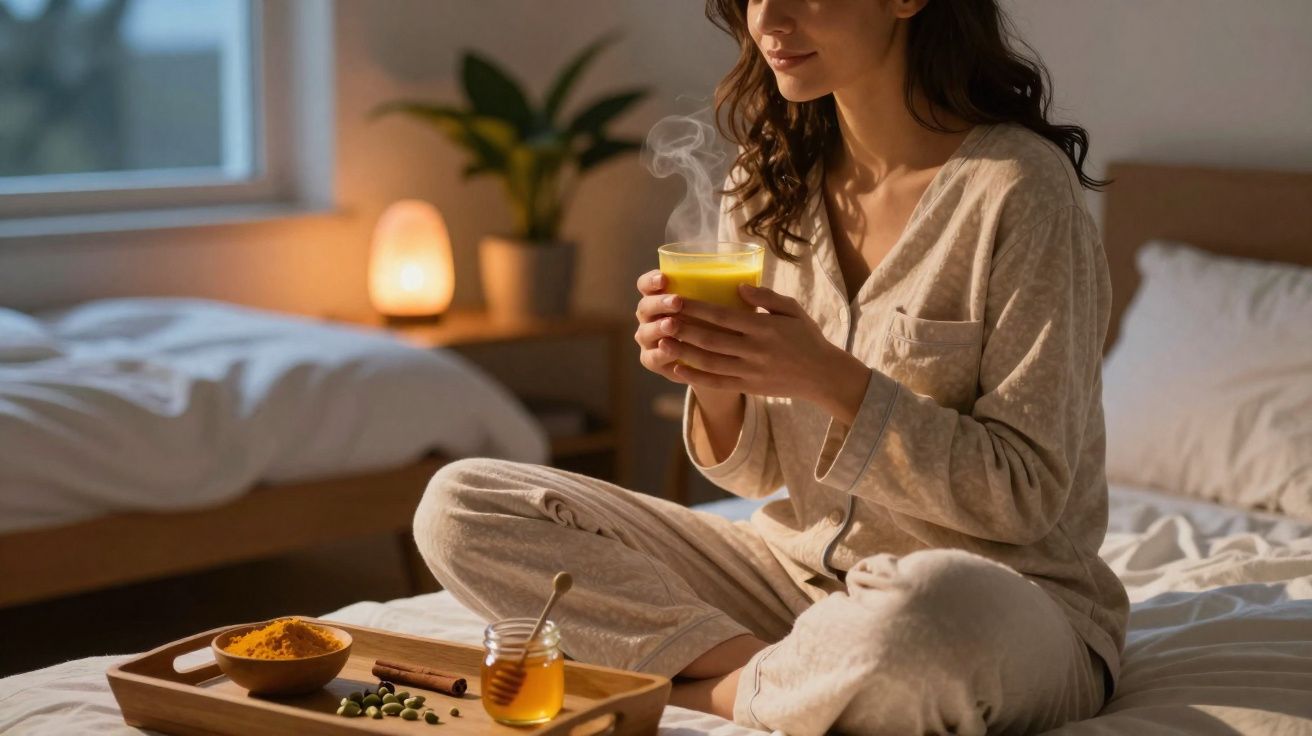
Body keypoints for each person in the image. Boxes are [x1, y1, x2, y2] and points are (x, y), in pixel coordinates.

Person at [413, 0, 1128, 733]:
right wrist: (715, 380)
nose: (769, 19)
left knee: (924, 619)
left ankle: (715, 688)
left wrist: (827, 376)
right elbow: (757, 475)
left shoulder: (1018, 189)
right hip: (792, 581)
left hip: (1002, 598)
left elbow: (1027, 495)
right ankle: (782, 675)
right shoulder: (770, 178)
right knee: (460, 503)